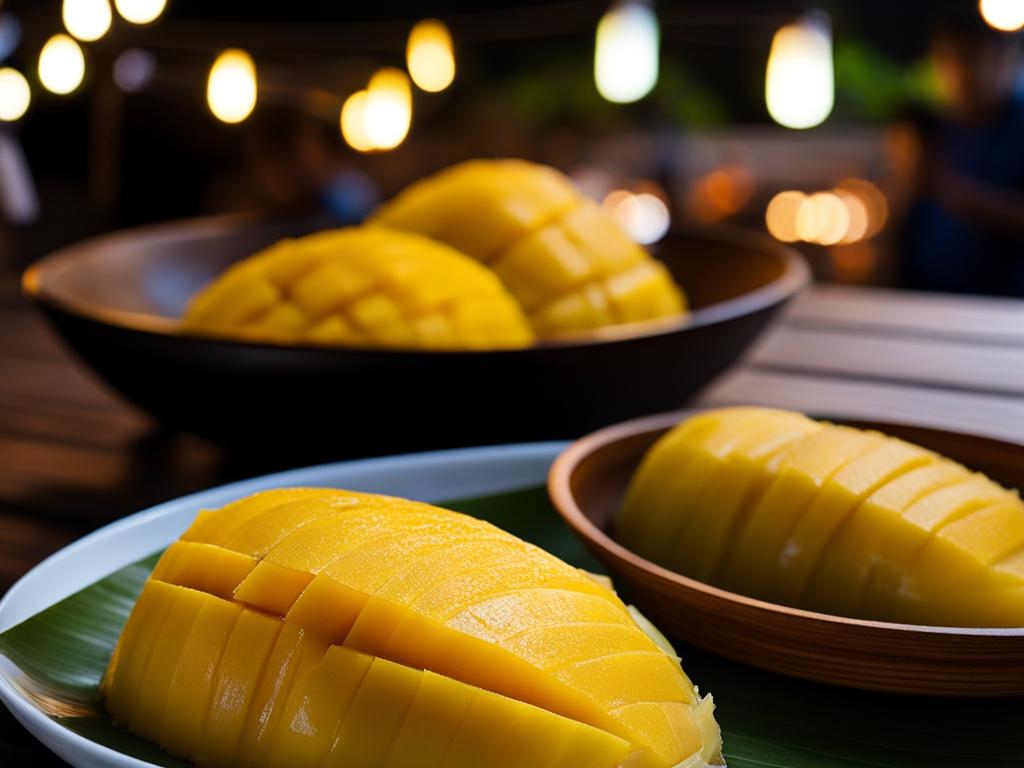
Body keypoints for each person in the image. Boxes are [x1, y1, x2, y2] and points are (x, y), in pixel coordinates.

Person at [895, 11, 1024, 297]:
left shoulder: (1017, 126)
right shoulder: (938, 127)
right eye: (949, 59)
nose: (963, 73)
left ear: (1007, 60)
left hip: (1002, 308)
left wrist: (949, 189)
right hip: (927, 299)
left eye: (974, 58)